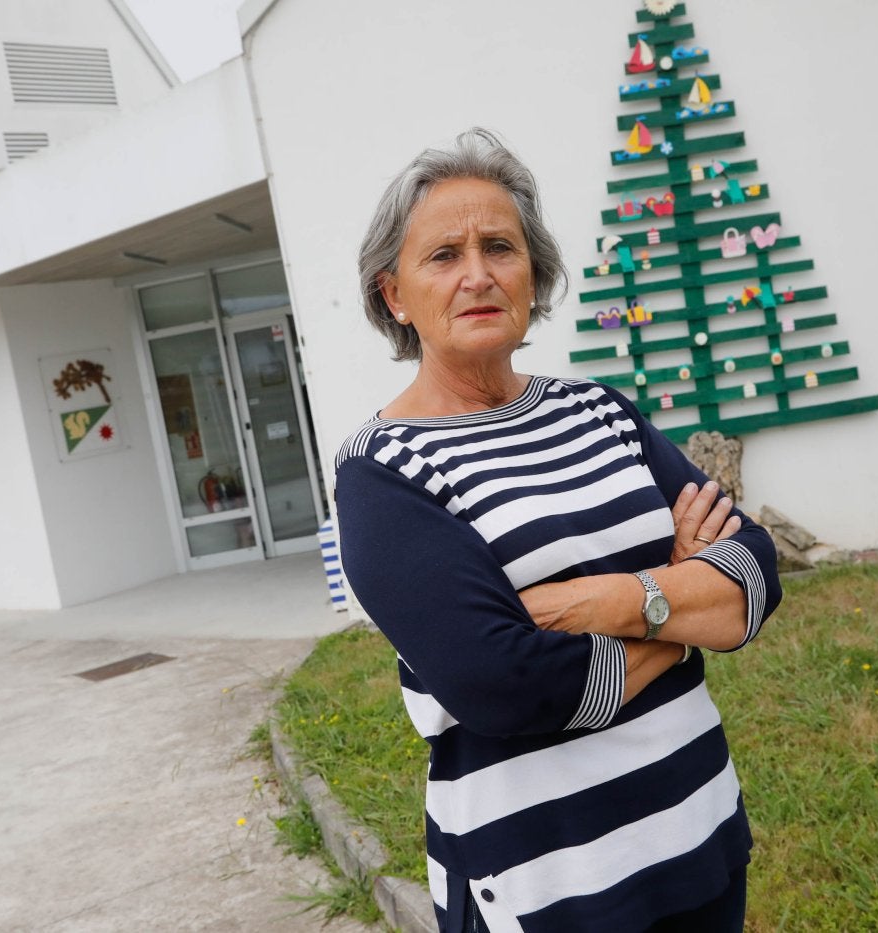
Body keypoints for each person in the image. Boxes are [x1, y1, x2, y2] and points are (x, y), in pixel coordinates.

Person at [334, 128, 782, 933]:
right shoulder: (382, 470)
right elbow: (504, 685)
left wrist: (607, 602)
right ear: (393, 294)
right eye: (444, 255)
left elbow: (753, 573)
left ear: (532, 272)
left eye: (500, 247)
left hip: (699, 832)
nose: (478, 274)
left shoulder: (600, 411)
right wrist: (682, 614)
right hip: (548, 886)